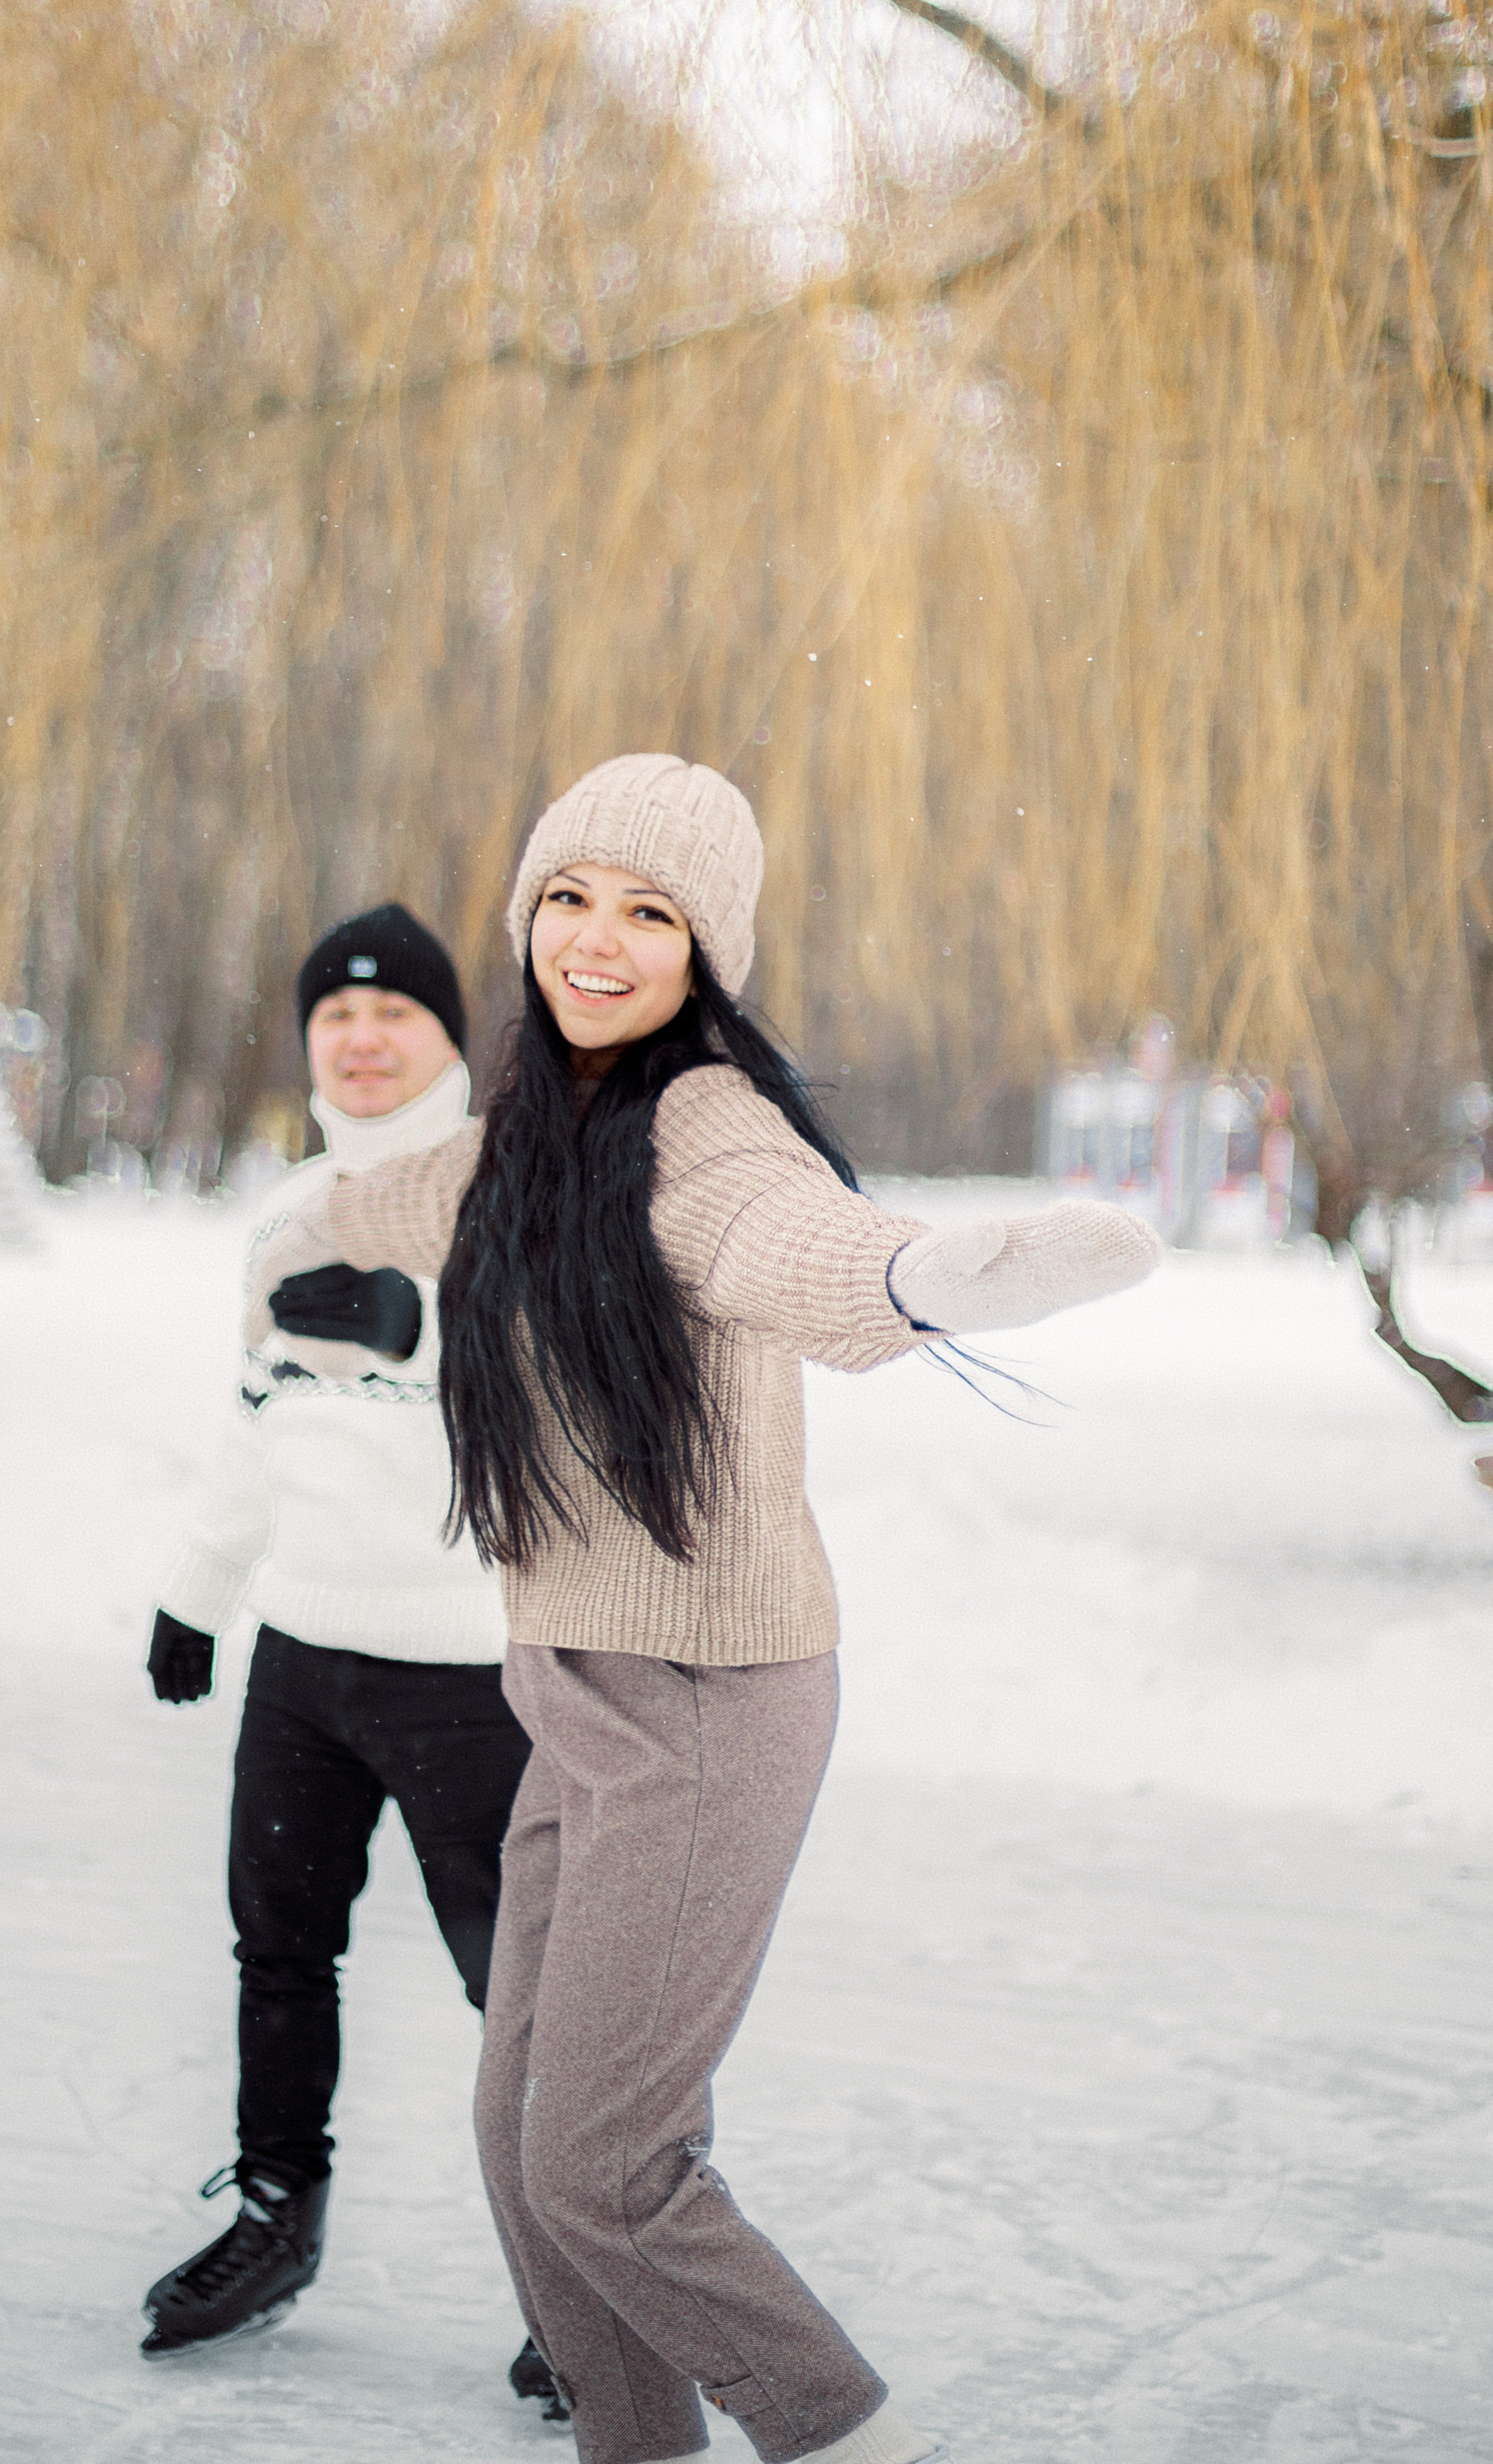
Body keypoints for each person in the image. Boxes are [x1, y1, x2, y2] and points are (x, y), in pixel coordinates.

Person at [241, 757, 1161, 2464]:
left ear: (702, 955)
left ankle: (834, 2434)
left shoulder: (699, 1126)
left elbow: (788, 1241)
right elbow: (427, 1195)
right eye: (573, 898)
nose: (599, 941)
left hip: (708, 1700)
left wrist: (927, 1279)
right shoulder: (537, 1128)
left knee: (602, 2163)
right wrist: (320, 1238)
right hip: (574, 1702)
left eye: (649, 913)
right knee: (522, 2139)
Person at [140, 902, 557, 2409]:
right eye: (337, 1019)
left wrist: (424, 1333)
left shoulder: (514, 1193)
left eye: (397, 1018)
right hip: (305, 1661)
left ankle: (577, 2289)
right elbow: (257, 1417)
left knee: (527, 1996)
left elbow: (578, 1411)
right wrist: (200, 1589)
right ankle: (271, 2218)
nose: (364, 1041)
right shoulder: (287, 1214)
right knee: (279, 1952)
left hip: (475, 1667)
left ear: (452, 1043)